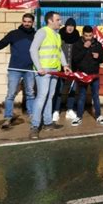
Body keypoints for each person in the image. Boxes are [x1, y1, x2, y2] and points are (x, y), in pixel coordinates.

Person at [0, 13, 36, 129]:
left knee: (30, 94)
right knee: (10, 94)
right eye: (25, 21)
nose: (27, 23)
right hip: (15, 69)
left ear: (32, 22)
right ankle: (8, 117)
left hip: (30, 69)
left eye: (29, 21)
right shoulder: (13, 34)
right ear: (22, 21)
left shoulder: (36, 35)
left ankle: (33, 115)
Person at [29, 11, 71, 139]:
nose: (60, 22)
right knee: (41, 96)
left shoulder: (57, 35)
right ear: (50, 21)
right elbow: (32, 49)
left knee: (50, 96)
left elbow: (59, 52)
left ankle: (48, 123)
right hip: (44, 70)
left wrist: (65, 65)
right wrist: (39, 67)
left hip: (55, 69)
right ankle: (35, 126)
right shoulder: (42, 32)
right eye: (58, 20)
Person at [71, 25, 103, 126]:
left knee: (95, 96)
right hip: (83, 75)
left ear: (93, 35)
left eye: (90, 35)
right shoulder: (77, 44)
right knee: (82, 96)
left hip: (94, 74)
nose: (88, 38)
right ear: (83, 34)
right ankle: (79, 116)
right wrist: (84, 48)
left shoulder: (97, 44)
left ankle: (99, 115)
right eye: (86, 35)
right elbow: (75, 59)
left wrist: (98, 56)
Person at [52, 18, 81, 122]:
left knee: (72, 90)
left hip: (73, 69)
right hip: (61, 68)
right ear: (65, 26)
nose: (70, 27)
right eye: (68, 25)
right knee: (59, 90)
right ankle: (56, 110)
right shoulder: (59, 36)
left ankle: (69, 109)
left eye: (72, 26)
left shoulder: (78, 38)